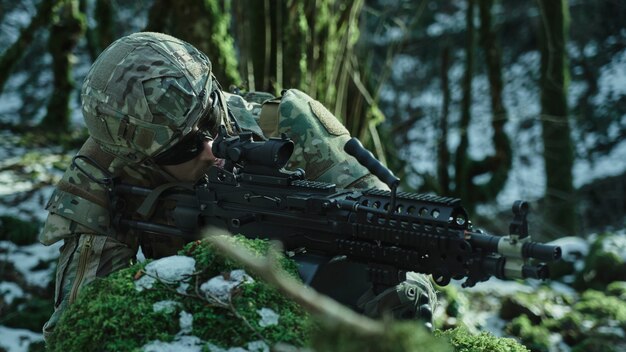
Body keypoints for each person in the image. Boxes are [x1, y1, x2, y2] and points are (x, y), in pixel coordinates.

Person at [40, 32, 436, 340]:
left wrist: (407, 294)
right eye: (186, 147)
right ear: (140, 159)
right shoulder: (107, 173)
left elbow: (394, 226)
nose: (212, 149)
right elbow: (81, 323)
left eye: (211, 118)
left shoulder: (292, 126)